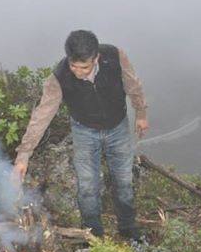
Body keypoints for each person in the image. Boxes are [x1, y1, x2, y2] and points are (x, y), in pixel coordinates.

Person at [13, 30, 149, 240]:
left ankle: (128, 229)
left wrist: (140, 113)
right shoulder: (59, 77)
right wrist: (23, 156)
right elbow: (42, 115)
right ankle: (93, 238)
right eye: (73, 66)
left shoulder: (115, 56)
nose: (78, 72)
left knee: (123, 182)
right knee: (87, 187)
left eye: (84, 67)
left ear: (96, 58)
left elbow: (133, 84)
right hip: (84, 131)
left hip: (118, 128)